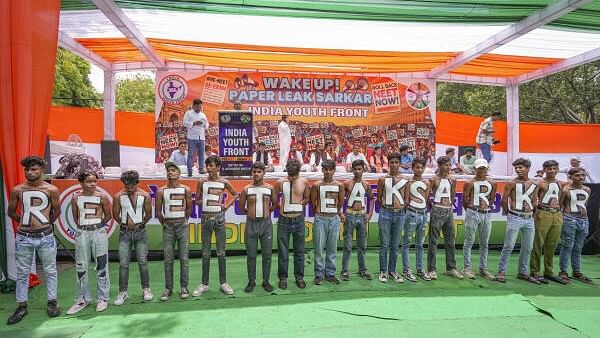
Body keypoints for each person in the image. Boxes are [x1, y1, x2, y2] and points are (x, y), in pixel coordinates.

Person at [7, 156, 61, 325]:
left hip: (45, 236)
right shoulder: (18, 189)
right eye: (27, 169)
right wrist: (26, 224)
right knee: (22, 273)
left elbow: (57, 211)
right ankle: (22, 306)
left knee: (50, 271)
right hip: (24, 237)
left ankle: (52, 303)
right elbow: (11, 212)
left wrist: (44, 224)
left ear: (42, 170)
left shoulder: (51, 189)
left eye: (34, 169)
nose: (30, 172)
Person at [67, 171, 112, 315]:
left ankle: (103, 298)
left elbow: (108, 215)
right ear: (81, 183)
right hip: (82, 233)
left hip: (99, 232)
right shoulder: (75, 197)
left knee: (101, 264)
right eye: (89, 181)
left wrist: (97, 225)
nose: (93, 184)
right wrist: (84, 228)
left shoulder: (102, 196)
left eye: (94, 181)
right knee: (81, 265)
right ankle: (82, 299)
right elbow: (75, 216)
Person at [192, 155, 238, 296]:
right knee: (205, 252)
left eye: (212, 166)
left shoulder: (224, 181)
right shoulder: (201, 182)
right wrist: (205, 203)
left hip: (219, 219)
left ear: (218, 167)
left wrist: (225, 206)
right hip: (205, 218)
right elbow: (198, 200)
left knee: (221, 252)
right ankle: (204, 284)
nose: (209, 168)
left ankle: (223, 283)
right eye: (208, 166)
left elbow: (236, 194)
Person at [112, 170, 154, 306]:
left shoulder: (145, 195)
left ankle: (146, 289)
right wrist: (124, 224)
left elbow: (148, 214)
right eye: (126, 185)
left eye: (132, 185)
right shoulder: (118, 196)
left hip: (140, 233)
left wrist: (140, 224)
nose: (129, 188)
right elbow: (115, 215)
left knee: (143, 261)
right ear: (123, 183)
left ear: (137, 182)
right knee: (124, 264)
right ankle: (123, 292)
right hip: (124, 233)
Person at [496, 158, 539, 284]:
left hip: (529, 218)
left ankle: (522, 272)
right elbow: (504, 200)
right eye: (516, 168)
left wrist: (533, 210)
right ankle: (501, 271)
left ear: (528, 168)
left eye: (521, 167)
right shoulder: (511, 183)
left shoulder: (534, 184)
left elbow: (535, 199)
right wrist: (510, 213)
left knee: (528, 247)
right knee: (508, 246)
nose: (518, 170)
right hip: (515, 216)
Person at [156, 162, 193, 300]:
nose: (170, 172)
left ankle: (184, 287)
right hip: (168, 227)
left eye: (173, 170)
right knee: (168, 259)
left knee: (184, 258)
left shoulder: (186, 189)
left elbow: (189, 208)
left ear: (179, 173)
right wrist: (165, 224)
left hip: (182, 226)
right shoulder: (161, 191)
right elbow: (158, 212)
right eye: (168, 170)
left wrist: (183, 220)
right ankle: (168, 288)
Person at [239, 162, 277, 293]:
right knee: (251, 255)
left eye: (259, 172)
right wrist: (250, 214)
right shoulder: (246, 189)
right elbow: (241, 206)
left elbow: (275, 204)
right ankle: (251, 281)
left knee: (267, 255)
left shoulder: (270, 188)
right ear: (252, 173)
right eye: (254, 171)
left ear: (263, 173)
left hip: (266, 225)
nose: (256, 174)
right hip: (251, 224)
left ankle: (266, 281)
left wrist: (266, 213)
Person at [273, 159, 310, 289]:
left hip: (299, 219)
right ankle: (283, 278)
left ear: (299, 172)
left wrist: (300, 206)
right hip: (284, 219)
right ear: (287, 171)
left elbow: (307, 198)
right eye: (290, 174)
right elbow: (273, 195)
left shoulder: (304, 181)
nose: (293, 177)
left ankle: (299, 277)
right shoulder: (280, 182)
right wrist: (280, 207)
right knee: (283, 251)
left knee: (299, 251)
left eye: (295, 174)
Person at [428, 156, 463, 280]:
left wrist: (448, 206)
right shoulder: (433, 179)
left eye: (449, 165)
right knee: (433, 241)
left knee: (450, 241)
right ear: (439, 165)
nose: (448, 167)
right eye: (445, 165)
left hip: (449, 211)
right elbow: (427, 196)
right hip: (437, 210)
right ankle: (431, 269)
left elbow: (453, 196)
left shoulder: (452, 179)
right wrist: (434, 207)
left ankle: (451, 268)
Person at [530, 160, 565, 284]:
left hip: (557, 214)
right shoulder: (539, 183)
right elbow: (534, 199)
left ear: (558, 169)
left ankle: (549, 272)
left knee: (552, 244)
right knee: (538, 243)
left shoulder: (562, 184)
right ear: (544, 170)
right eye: (549, 169)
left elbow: (561, 200)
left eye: (555, 168)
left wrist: (558, 211)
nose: (552, 171)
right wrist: (536, 212)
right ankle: (535, 272)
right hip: (543, 212)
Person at [461, 158, 497, 280]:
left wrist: (484, 208)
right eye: (479, 168)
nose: (481, 170)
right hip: (473, 212)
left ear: (487, 169)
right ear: (474, 169)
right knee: (469, 241)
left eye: (483, 168)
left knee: (484, 242)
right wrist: (472, 211)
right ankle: (467, 267)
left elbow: (492, 200)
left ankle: (483, 268)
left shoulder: (492, 183)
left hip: (486, 213)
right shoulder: (469, 183)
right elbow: (464, 201)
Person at [311, 159, 345, 285]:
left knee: (332, 248)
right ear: (322, 170)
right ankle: (319, 274)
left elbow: (341, 201)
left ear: (334, 170)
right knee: (318, 248)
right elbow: (313, 201)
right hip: (320, 218)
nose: (328, 172)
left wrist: (336, 212)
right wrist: (319, 212)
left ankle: (330, 274)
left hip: (334, 219)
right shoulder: (316, 185)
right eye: (326, 169)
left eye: (331, 169)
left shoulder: (339, 185)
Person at [376, 152, 408, 283]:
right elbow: (379, 198)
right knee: (384, 244)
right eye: (391, 163)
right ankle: (383, 271)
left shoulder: (405, 180)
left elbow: (406, 199)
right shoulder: (383, 179)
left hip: (400, 214)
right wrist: (386, 206)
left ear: (400, 164)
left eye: (396, 162)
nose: (394, 165)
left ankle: (393, 270)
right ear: (388, 164)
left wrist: (399, 207)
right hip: (386, 213)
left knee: (395, 245)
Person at [558, 168, 593, 284]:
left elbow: (585, 205)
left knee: (578, 248)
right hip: (569, 219)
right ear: (571, 177)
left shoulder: (587, 189)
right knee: (567, 246)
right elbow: (560, 206)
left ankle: (576, 271)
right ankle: (563, 271)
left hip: (584, 220)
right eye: (577, 175)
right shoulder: (565, 190)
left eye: (583, 175)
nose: (581, 177)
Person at [341, 160, 374, 281]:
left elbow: (371, 198)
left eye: (359, 169)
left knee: (362, 246)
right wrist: (340, 212)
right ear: (352, 170)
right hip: (350, 215)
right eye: (355, 169)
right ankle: (344, 270)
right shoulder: (347, 183)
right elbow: (340, 199)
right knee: (348, 246)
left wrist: (370, 213)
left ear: (363, 170)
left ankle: (363, 269)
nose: (357, 171)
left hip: (362, 216)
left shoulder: (366, 184)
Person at [402, 158, 431, 282]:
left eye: (421, 167)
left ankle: (420, 269)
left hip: (423, 214)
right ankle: (406, 270)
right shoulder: (408, 182)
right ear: (412, 168)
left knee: (420, 244)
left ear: (424, 168)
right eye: (417, 167)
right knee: (407, 243)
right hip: (411, 213)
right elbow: (406, 200)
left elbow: (426, 198)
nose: (419, 170)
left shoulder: (427, 183)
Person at [183, 99, 209, 176]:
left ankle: (201, 169)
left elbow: (207, 125)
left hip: (201, 137)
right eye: (197, 106)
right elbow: (184, 123)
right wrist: (194, 123)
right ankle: (189, 171)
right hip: (192, 137)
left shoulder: (203, 114)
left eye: (200, 106)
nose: (199, 108)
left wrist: (204, 124)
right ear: (194, 106)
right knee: (190, 155)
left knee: (201, 155)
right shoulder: (188, 113)